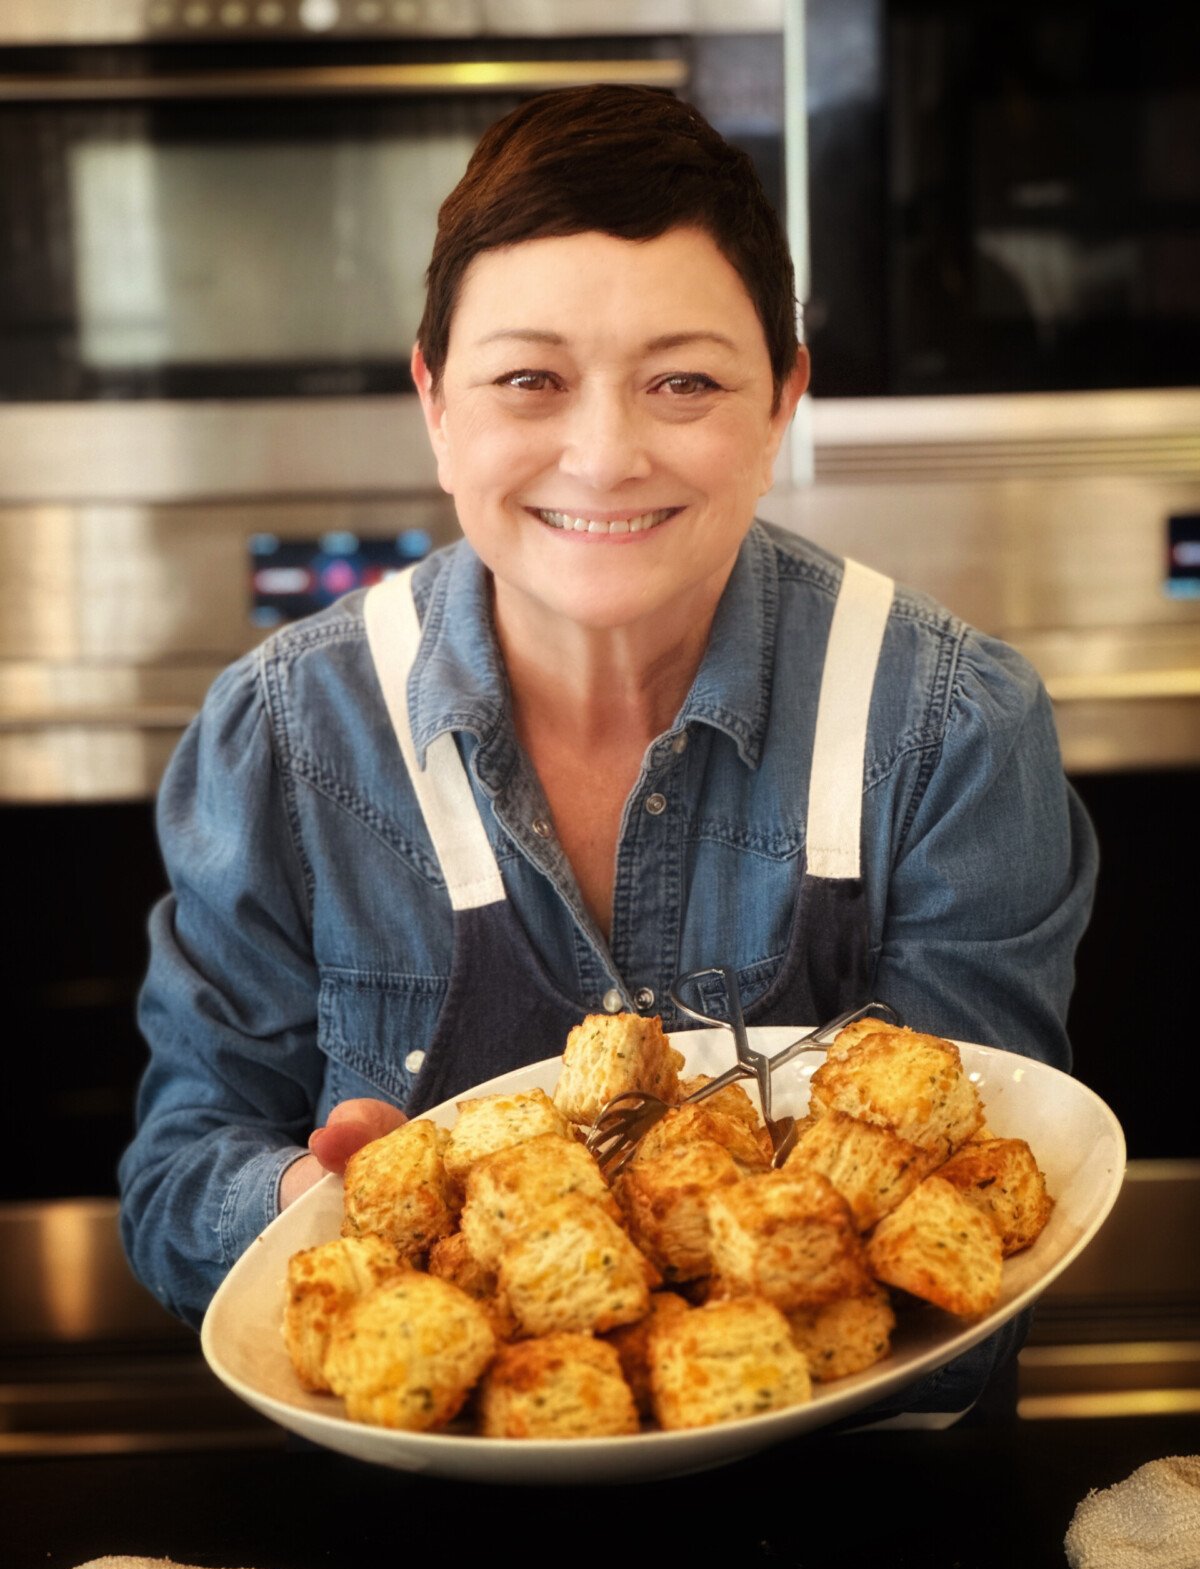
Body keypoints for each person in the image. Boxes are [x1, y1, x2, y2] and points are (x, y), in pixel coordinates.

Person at [119, 85, 1097, 1420]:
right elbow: (175, 1186)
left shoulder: (951, 730)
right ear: (435, 403)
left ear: (783, 406)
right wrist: (312, 1206)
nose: (603, 454)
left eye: (685, 382)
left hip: (868, 1509)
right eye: (529, 379)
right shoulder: (282, 737)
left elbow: (989, 1231)